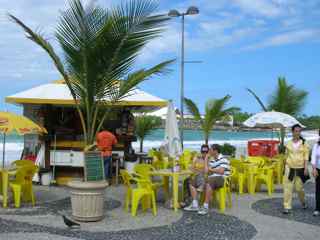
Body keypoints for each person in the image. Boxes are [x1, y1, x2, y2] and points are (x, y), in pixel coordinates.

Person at [184, 144, 230, 215]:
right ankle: (195, 204)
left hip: (222, 179)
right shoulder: (212, 160)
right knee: (191, 181)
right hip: (211, 178)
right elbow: (206, 171)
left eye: (210, 150)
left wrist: (210, 169)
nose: (209, 152)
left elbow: (221, 171)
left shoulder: (223, 159)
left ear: (215, 151)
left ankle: (205, 206)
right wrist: (206, 159)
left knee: (209, 180)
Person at [283, 124, 310, 214]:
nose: (298, 133)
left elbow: (306, 157)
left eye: (299, 131)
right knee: (288, 188)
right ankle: (287, 206)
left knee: (299, 188)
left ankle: (303, 202)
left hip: (300, 168)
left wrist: (306, 168)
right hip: (289, 167)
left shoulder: (304, 143)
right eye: (296, 131)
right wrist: (284, 166)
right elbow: (286, 155)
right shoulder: (288, 143)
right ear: (292, 132)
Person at [311, 129, 320, 216]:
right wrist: (314, 169)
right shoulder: (316, 145)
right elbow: (313, 157)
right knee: (318, 189)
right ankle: (317, 208)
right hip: (318, 169)